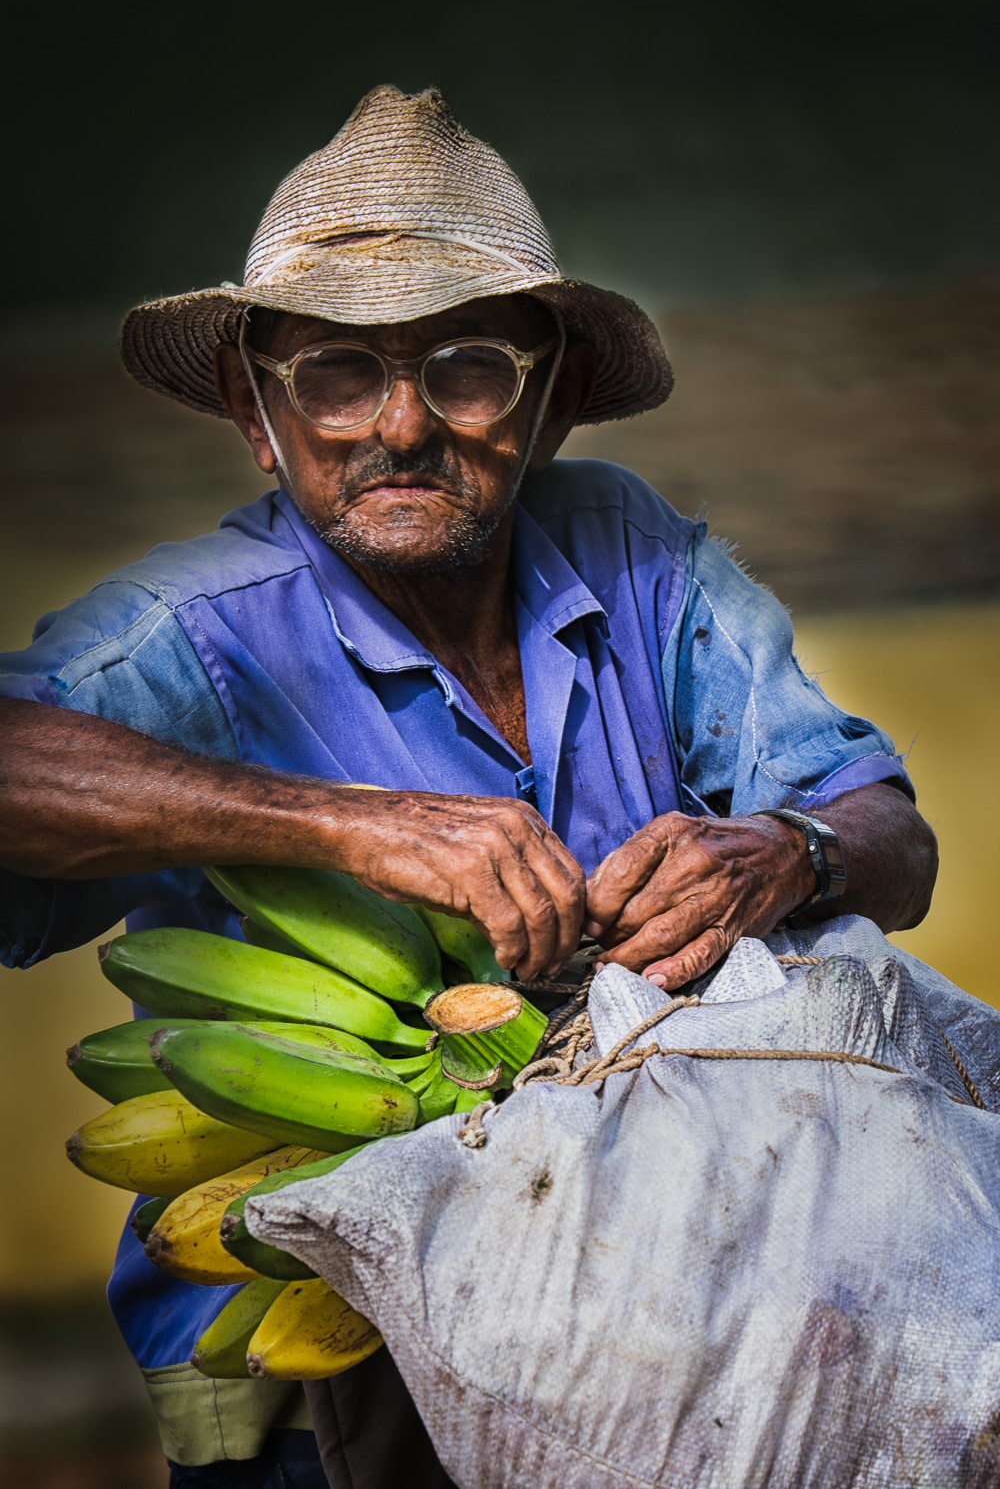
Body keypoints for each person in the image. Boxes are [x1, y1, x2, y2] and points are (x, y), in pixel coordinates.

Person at [0, 85, 936, 1489]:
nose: (402, 427)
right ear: (260, 417)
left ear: (550, 400)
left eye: (468, 367)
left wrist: (787, 849)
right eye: (333, 373)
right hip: (333, 1374)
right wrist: (351, 823)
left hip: (686, 1321)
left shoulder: (634, 552)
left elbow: (893, 838)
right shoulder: (189, 637)